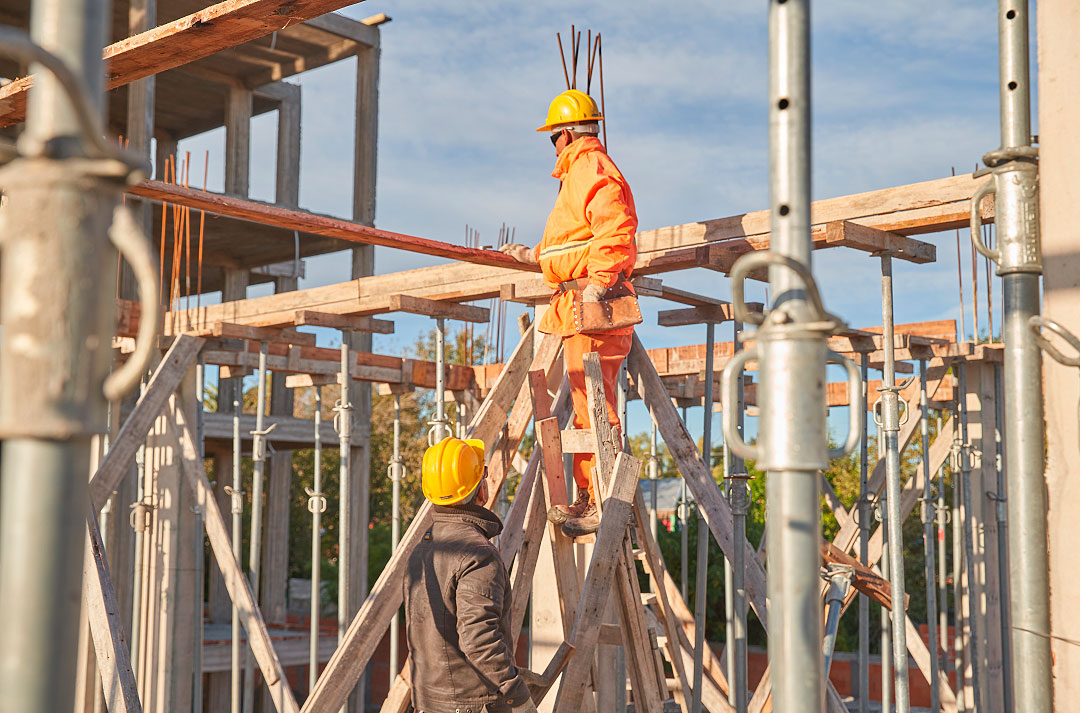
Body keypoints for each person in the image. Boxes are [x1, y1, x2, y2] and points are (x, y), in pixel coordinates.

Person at [499, 88, 638, 537]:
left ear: (564, 134)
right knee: (585, 403)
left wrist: (597, 286)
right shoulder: (577, 175)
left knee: (595, 403)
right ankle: (590, 495)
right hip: (576, 300)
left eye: (552, 137)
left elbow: (615, 228)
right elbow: (570, 240)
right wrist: (530, 254)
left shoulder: (590, 168)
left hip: (590, 302)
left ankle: (601, 497)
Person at [404, 436, 539, 713]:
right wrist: (519, 698)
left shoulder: (423, 547)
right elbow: (479, 639)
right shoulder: (478, 554)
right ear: (481, 489)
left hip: (427, 702)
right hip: (470, 704)